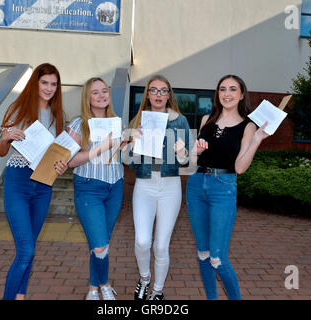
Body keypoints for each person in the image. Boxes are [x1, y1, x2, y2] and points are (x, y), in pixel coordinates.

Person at [185, 75, 269, 300]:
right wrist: (195, 152)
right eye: (222, 89)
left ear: (242, 94)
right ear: (217, 94)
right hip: (195, 185)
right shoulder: (206, 120)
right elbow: (191, 162)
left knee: (217, 258)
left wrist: (257, 140)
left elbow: (240, 168)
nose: (227, 93)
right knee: (203, 254)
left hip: (223, 188)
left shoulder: (248, 126)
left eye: (233, 89)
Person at [0, 63, 68, 300]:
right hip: (18, 180)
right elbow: (0, 151)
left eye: (54, 84)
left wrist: (62, 164)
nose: (49, 88)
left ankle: (20, 297)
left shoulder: (58, 116)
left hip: (43, 184)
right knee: (25, 250)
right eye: (45, 82)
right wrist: (6, 137)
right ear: (36, 83)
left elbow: (58, 152)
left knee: (29, 250)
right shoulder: (19, 109)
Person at [125, 75, 191, 300]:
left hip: (170, 187)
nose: (159, 95)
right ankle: (144, 279)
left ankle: (157, 290)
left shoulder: (179, 121)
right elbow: (131, 163)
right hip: (144, 185)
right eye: (154, 90)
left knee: (161, 246)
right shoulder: (138, 120)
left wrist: (181, 152)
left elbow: (186, 162)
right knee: (143, 241)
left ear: (169, 94)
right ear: (148, 94)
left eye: (163, 91)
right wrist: (132, 144)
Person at [67, 77, 125, 300]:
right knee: (100, 246)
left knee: (101, 243)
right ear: (87, 98)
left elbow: (120, 157)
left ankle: (93, 288)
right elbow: (70, 161)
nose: (102, 95)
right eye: (95, 93)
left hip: (115, 187)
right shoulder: (79, 124)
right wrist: (101, 147)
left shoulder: (116, 122)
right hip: (89, 188)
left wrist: (126, 146)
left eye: (104, 91)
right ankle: (105, 284)